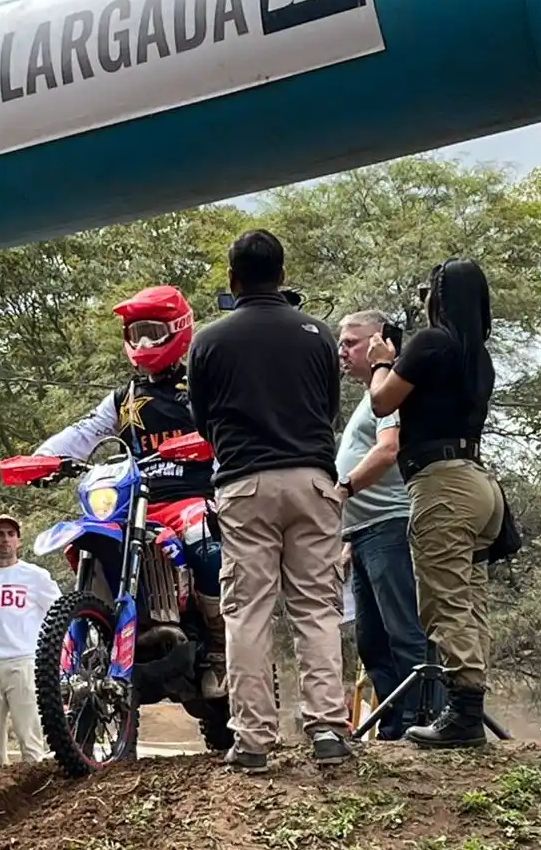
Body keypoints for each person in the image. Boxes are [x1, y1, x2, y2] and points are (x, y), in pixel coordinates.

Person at [186, 229, 351, 772]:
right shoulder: (319, 334)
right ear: (282, 277)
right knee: (316, 609)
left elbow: (202, 420)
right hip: (312, 479)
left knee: (248, 613)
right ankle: (327, 730)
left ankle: (253, 741)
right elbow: (327, 409)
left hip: (245, 485)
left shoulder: (209, 340)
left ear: (233, 280)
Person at [34, 285, 226, 697]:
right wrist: (42, 458)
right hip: (136, 504)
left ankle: (219, 651)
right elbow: (84, 433)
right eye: (135, 332)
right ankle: (98, 633)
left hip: (190, 497)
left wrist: (214, 444)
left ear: (177, 330)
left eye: (152, 332)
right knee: (90, 537)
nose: (142, 342)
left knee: (203, 539)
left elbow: (232, 427)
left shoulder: (203, 387)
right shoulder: (125, 398)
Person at [366, 257, 503, 749]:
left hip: (442, 486)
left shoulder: (430, 343)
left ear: (439, 297)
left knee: (444, 600)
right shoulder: (477, 356)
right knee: (471, 597)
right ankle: (470, 701)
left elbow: (383, 402)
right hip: (480, 485)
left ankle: (463, 712)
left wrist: (383, 360)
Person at [335, 310, 430, 741]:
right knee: (372, 640)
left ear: (380, 342)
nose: (342, 351)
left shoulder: (386, 393)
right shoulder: (369, 397)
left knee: (402, 631)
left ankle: (419, 720)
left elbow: (388, 450)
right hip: (364, 532)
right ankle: (393, 724)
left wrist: (343, 488)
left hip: (389, 526)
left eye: (352, 342)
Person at [0, 514, 61, 765]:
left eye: (10, 534)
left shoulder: (35, 576)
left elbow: (60, 612)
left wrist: (51, 658)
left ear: (18, 541)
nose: (4, 539)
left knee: (30, 742)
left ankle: (36, 800)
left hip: (23, 662)